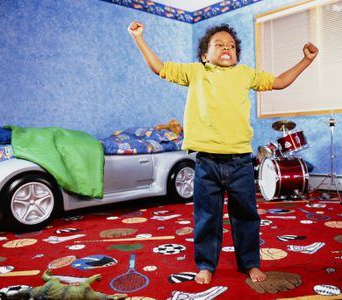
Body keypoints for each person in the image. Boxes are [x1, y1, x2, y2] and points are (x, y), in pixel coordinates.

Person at [128, 21, 318, 285]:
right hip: (206, 162)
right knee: (206, 217)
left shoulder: (246, 74)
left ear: (237, 54)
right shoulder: (195, 72)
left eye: (231, 46)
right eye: (219, 45)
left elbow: (279, 82)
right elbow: (158, 67)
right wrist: (139, 38)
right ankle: (206, 264)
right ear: (205, 55)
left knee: (247, 216)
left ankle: (250, 263)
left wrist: (305, 60)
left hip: (240, 162)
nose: (227, 48)